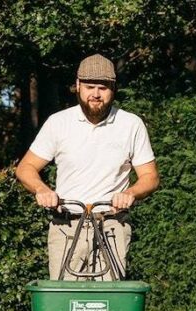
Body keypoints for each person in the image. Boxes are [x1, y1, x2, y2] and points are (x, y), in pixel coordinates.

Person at [15, 54, 159, 280]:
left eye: (103, 87)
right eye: (90, 86)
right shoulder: (58, 123)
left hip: (112, 226)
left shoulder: (131, 124)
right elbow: (25, 168)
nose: (96, 94)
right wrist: (41, 190)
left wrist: (130, 193)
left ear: (113, 89)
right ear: (78, 86)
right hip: (67, 226)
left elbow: (150, 177)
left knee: (108, 307)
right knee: (66, 305)